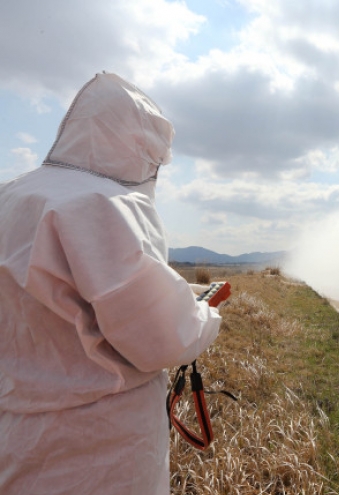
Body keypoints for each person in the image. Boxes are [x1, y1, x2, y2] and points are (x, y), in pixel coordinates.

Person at [0, 73, 222, 494]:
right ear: (139, 147)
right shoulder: (104, 205)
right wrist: (207, 316)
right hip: (99, 449)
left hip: (17, 435)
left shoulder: (10, 196)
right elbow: (162, 337)